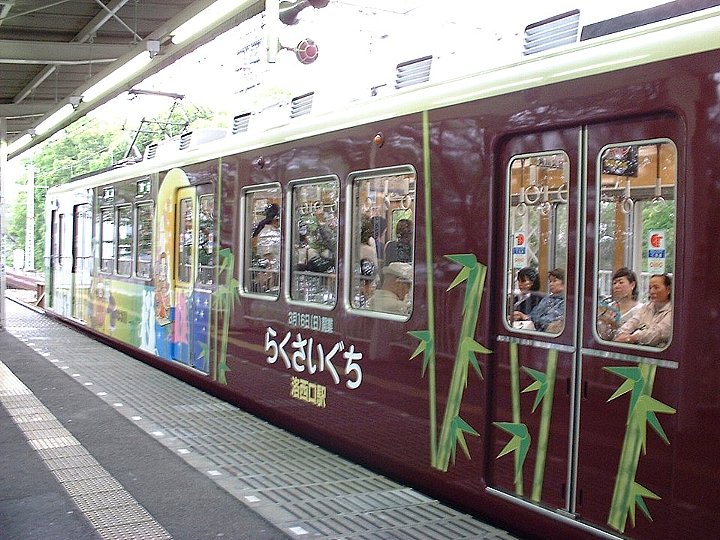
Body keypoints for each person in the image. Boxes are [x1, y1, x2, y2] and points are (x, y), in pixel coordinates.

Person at [614, 273, 673, 347]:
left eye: (656, 287)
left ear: (668, 289)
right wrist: (622, 333)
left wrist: (632, 338)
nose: (652, 291)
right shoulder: (646, 307)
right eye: (650, 288)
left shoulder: (673, 311)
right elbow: (632, 322)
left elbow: (657, 333)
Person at [514, 268, 565, 332]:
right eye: (550, 281)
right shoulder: (547, 298)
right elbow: (534, 314)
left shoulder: (565, 302)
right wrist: (522, 316)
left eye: (554, 281)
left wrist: (527, 318)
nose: (551, 284)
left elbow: (550, 320)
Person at [597, 267, 642, 340]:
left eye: (621, 282)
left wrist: (614, 324)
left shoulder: (640, 310)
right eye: (614, 283)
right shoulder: (608, 307)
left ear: (632, 285)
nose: (616, 286)